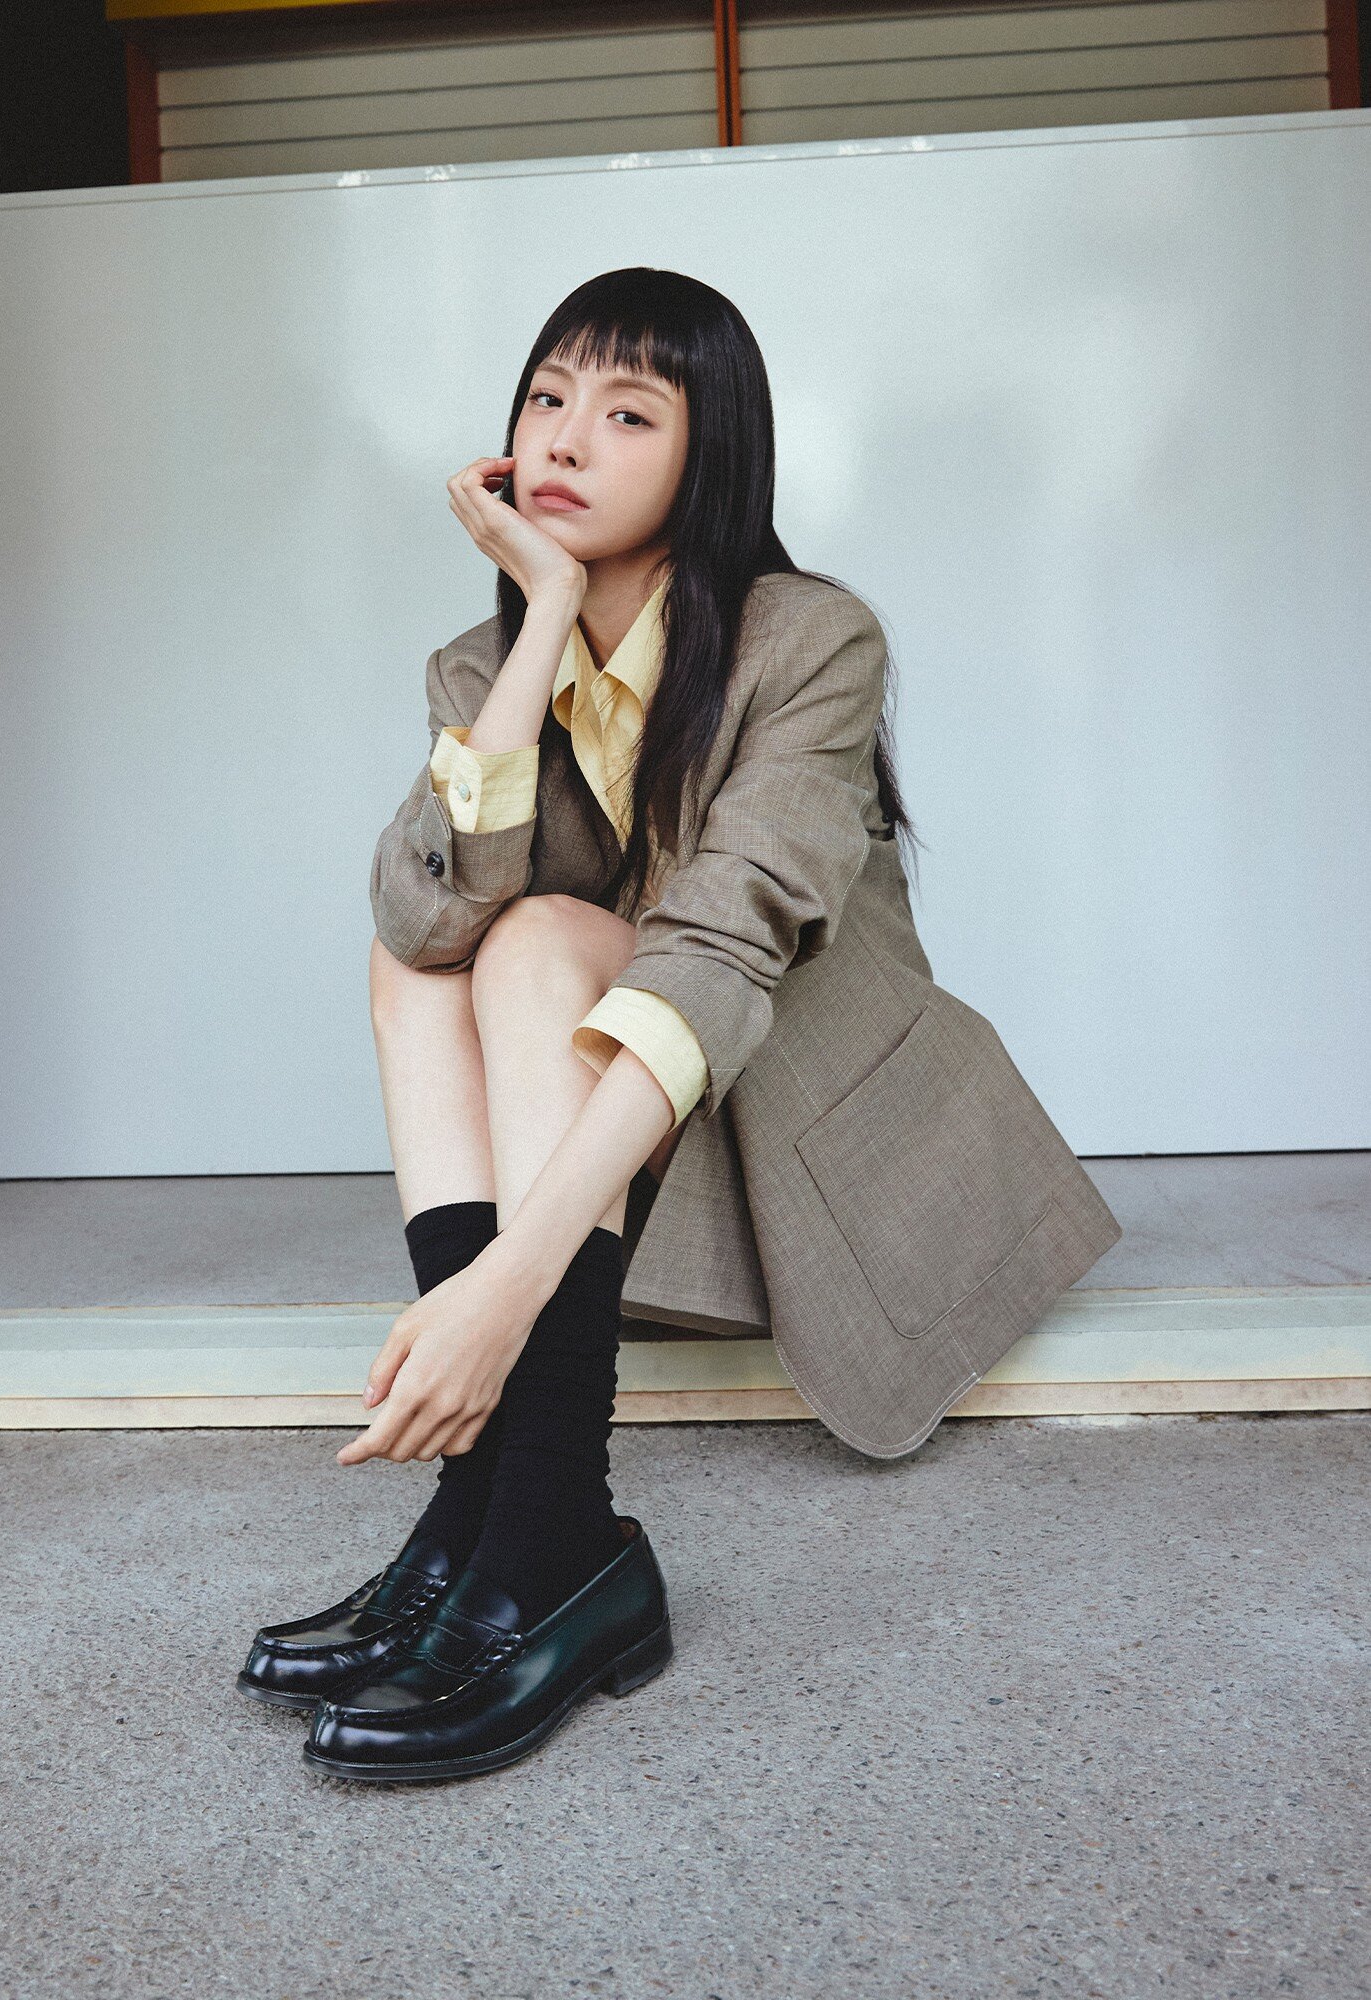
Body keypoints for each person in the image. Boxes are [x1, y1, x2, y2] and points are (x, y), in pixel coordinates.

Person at [238, 266, 1121, 1784]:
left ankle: (538, 1516)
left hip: (795, 1115)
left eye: (629, 412)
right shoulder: (483, 666)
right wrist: (544, 619)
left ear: (712, 454)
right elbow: (421, 918)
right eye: (547, 397)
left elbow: (721, 948)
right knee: (436, 954)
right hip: (631, 1137)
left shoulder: (811, 640)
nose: (568, 436)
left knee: (536, 948)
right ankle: (503, 1522)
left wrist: (504, 1284)